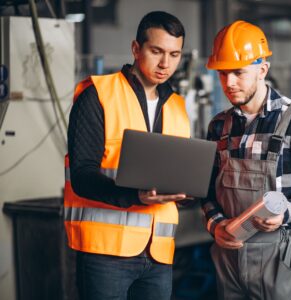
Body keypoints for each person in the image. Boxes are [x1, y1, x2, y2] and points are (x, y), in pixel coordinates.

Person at [201, 20, 291, 299]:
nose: (229, 83)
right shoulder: (218, 126)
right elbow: (207, 190)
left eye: (238, 72)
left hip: (281, 255)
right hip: (229, 255)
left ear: (263, 70)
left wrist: (286, 212)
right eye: (222, 74)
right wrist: (216, 225)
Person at [65, 11, 190, 300]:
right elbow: (82, 175)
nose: (165, 63)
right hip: (105, 253)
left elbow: (175, 172)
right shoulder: (97, 95)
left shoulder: (178, 106)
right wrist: (135, 196)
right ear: (136, 49)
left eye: (174, 54)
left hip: (158, 253)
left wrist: (188, 190)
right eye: (156, 51)